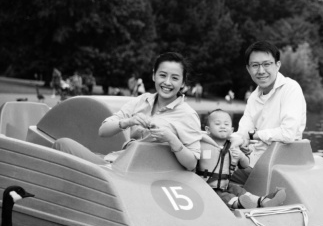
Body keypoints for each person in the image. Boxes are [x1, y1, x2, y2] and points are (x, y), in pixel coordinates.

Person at [52, 52, 215, 171]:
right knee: (63, 144)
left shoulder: (188, 114)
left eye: (174, 78)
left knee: (65, 147)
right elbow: (103, 131)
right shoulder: (141, 101)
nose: (167, 82)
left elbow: (192, 163)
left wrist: (171, 139)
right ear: (153, 76)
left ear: (183, 82)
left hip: (142, 175)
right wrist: (129, 121)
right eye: (162, 75)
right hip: (117, 164)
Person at [229, 41, 306, 184]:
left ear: (277, 65)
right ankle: (238, 199)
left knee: (213, 172)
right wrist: (232, 140)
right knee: (210, 160)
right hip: (253, 160)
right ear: (248, 68)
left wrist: (254, 135)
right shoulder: (253, 97)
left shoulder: (290, 88)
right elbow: (243, 132)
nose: (261, 71)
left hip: (280, 162)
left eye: (266, 64)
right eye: (255, 65)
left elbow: (288, 134)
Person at [197, 109, 286, 209]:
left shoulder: (233, 146)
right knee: (225, 196)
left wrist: (241, 156)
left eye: (226, 124)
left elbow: (245, 165)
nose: (222, 126)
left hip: (225, 185)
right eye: (217, 124)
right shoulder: (201, 145)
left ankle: (263, 201)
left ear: (231, 130)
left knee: (239, 190)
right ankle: (240, 204)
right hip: (208, 188)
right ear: (208, 129)